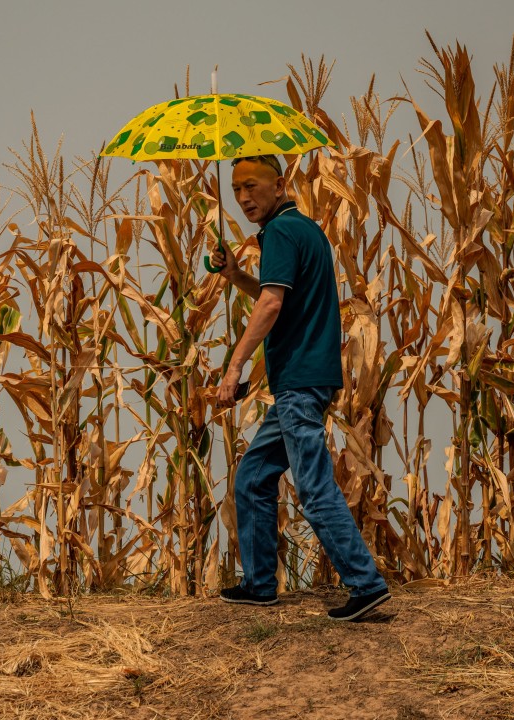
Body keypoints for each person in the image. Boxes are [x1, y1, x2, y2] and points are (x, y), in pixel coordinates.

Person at [212, 153, 391, 621]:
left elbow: (271, 306)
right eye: (236, 190)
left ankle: (366, 584)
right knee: (253, 476)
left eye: (252, 185)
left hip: (299, 381)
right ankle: (259, 585)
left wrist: (234, 368)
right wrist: (235, 276)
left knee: (312, 486)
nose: (244, 198)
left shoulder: (280, 233)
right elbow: (280, 295)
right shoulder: (304, 230)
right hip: (306, 379)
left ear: (281, 182)